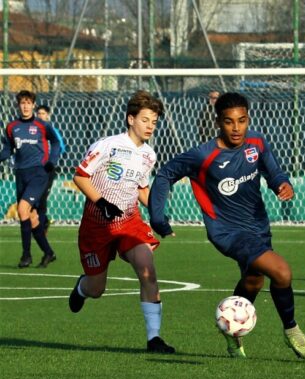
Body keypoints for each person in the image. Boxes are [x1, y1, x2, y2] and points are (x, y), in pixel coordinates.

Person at [149, 92, 305, 359]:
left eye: (241, 121)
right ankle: (291, 330)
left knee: (253, 281)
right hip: (227, 232)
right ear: (218, 122)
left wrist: (281, 184)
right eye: (229, 122)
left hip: (258, 227)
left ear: (248, 119)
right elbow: (166, 173)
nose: (236, 128)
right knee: (282, 272)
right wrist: (158, 217)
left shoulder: (257, 142)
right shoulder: (203, 155)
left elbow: (273, 170)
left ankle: (231, 331)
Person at [67, 90, 175, 354]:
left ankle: (154, 339)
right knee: (97, 289)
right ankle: (82, 288)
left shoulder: (149, 155)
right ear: (130, 119)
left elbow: (141, 188)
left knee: (147, 269)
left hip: (129, 221)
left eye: (154, 122)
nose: (150, 126)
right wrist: (102, 203)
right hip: (97, 225)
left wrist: (159, 214)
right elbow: (81, 177)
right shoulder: (107, 145)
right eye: (145, 119)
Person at [0, 90, 60, 268]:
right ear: (18, 105)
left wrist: (52, 161)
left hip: (39, 173)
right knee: (31, 218)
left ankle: (26, 255)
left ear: (33, 105)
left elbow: (55, 142)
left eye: (28, 103)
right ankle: (49, 253)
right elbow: (7, 150)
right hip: (21, 174)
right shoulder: (12, 127)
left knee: (22, 208)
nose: (25, 106)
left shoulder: (42, 125)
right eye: (22, 103)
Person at [35, 104, 67, 232]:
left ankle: (43, 224)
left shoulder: (52, 131)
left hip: (47, 169)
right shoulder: (33, 129)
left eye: (43, 113)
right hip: (33, 168)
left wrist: (51, 160)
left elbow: (61, 147)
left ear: (47, 115)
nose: (41, 116)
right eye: (39, 113)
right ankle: (40, 222)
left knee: (42, 197)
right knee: (32, 197)